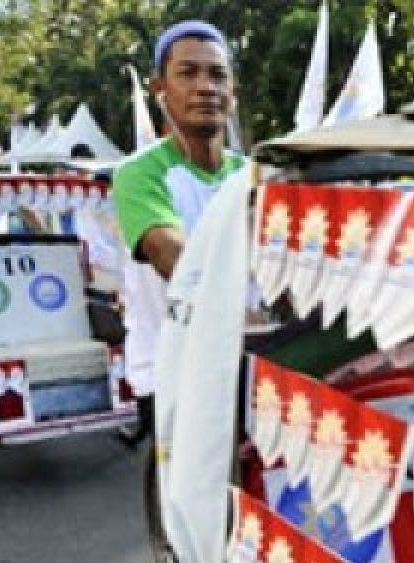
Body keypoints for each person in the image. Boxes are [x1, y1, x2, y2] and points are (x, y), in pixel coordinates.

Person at [112, 19, 246, 437]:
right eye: (188, 73)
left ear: (233, 96)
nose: (205, 87)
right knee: (195, 503)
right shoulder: (139, 174)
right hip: (173, 374)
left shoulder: (256, 176)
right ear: (160, 89)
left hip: (251, 363)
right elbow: (177, 260)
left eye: (217, 75)